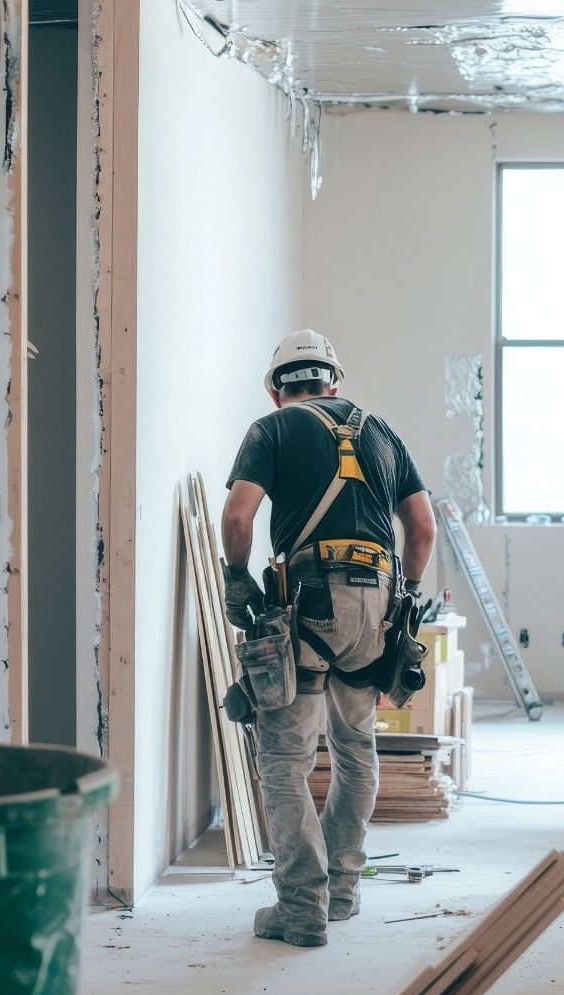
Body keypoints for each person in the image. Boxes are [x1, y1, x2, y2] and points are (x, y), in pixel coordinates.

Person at [219, 329, 436, 948]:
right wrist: (408, 597)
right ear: (333, 382)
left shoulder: (272, 430)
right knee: (355, 748)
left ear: (275, 389)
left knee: (286, 759)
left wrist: (237, 580)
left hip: (306, 600)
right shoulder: (381, 430)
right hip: (376, 606)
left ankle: (301, 906)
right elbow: (421, 528)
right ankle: (342, 889)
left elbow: (238, 517)